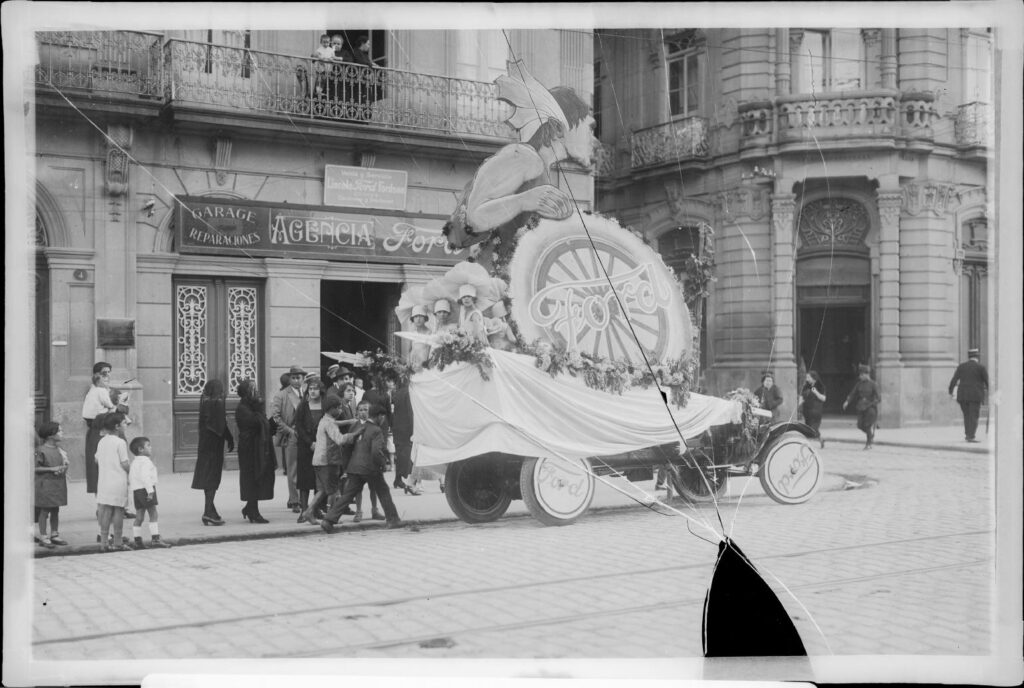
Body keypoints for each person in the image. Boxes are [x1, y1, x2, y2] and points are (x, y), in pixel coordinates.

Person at [443, 63, 595, 271]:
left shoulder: (539, 165)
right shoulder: (524, 157)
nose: (594, 135)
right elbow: (475, 217)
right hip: (498, 280)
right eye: (590, 126)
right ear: (560, 128)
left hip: (514, 276)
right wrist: (525, 200)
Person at [320, 401, 402, 532]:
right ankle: (393, 520)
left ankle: (328, 520)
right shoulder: (376, 430)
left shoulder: (357, 428)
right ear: (380, 416)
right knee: (383, 491)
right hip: (370, 468)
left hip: (354, 467)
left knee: (347, 495)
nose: (383, 420)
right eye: (383, 417)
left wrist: (347, 467)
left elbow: (347, 448)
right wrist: (383, 464)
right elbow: (376, 452)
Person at [300, 392, 363, 525]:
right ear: (331, 408)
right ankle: (330, 517)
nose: (340, 410)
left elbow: (335, 423)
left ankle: (308, 512)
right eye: (338, 408)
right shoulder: (330, 424)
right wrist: (356, 433)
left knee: (322, 489)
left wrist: (348, 421)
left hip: (318, 460)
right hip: (328, 461)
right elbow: (340, 440)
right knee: (333, 490)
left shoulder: (325, 420)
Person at [192, 379, 234, 526]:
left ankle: (210, 510)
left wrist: (228, 437)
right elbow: (219, 424)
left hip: (205, 446)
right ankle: (208, 512)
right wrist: (228, 437)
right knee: (212, 478)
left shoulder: (205, 402)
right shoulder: (215, 403)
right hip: (213, 447)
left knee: (209, 478)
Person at [235, 379, 276, 523]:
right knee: (251, 478)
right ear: (247, 392)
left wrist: (273, 421)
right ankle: (253, 511)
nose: (257, 392)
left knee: (259, 477)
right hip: (249, 450)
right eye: (253, 389)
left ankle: (250, 508)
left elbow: (264, 425)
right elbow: (255, 424)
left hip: (259, 448)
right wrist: (262, 413)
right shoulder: (243, 408)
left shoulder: (254, 407)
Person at [95, 412, 133, 551]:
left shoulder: (102, 441)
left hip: (104, 480)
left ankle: (104, 542)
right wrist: (132, 473)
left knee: (105, 511)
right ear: (117, 426)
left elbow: (97, 459)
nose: (125, 425)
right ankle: (118, 541)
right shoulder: (120, 442)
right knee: (118, 511)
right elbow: (124, 463)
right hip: (117, 480)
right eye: (124, 423)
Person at [272, 365, 305, 513]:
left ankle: (303, 499)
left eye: (299, 377)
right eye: (294, 377)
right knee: (293, 469)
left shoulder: (308, 393)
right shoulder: (282, 395)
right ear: (289, 379)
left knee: (306, 468)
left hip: (307, 436)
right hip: (292, 435)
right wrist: (290, 431)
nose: (297, 380)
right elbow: (275, 417)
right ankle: (294, 500)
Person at [128, 437, 170, 549]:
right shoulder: (146, 462)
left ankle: (137, 541)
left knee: (139, 516)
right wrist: (150, 491)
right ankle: (155, 539)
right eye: (148, 445)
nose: (151, 448)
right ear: (141, 449)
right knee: (153, 513)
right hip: (146, 489)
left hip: (137, 491)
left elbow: (132, 477)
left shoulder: (135, 462)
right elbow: (145, 477)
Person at [293, 374, 325, 521]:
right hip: (305, 448)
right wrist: (309, 442)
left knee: (319, 479)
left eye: (316, 389)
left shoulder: (325, 406)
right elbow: (298, 426)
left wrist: (318, 442)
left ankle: (316, 508)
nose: (312, 392)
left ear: (321, 391)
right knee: (305, 480)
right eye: (310, 389)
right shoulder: (303, 406)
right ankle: (304, 510)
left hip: (321, 446)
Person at [82, 363, 116, 495]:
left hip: (112, 430)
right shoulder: (96, 391)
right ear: (97, 376)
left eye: (109, 372)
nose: (108, 376)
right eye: (104, 373)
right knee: (98, 468)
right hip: (98, 431)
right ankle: (101, 504)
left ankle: (119, 505)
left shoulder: (111, 391)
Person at [34, 421, 70, 549]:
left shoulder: (60, 450)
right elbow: (35, 468)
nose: (62, 433)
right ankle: (43, 535)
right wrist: (52, 469)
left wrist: (64, 468)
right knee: (44, 510)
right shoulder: (41, 450)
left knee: (56, 509)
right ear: (50, 435)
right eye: (59, 431)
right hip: (45, 484)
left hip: (57, 483)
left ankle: (54, 534)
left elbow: (63, 465)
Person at [948, 348, 989, 443]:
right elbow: (987, 382)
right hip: (975, 396)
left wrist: (950, 391)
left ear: (969, 356)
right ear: (977, 356)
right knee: (973, 416)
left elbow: (954, 380)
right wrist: (991, 393)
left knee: (967, 415)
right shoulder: (981, 368)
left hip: (963, 396)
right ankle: (970, 436)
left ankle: (968, 435)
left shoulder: (961, 366)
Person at [843, 364, 881, 450]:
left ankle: (868, 443)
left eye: (862, 375)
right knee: (860, 425)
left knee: (867, 425)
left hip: (870, 408)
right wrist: (847, 401)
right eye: (860, 375)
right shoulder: (859, 384)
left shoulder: (873, 384)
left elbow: (879, 398)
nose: (860, 376)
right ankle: (870, 435)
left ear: (867, 374)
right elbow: (852, 393)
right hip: (860, 407)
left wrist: (872, 404)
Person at [391, 380, 416, 492]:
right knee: (407, 455)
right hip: (406, 428)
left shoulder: (397, 393)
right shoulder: (409, 392)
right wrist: (413, 429)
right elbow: (410, 412)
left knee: (400, 454)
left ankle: (398, 479)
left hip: (398, 427)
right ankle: (411, 481)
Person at [798, 371, 827, 448]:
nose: (807, 379)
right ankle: (820, 439)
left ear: (814, 378)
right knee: (808, 427)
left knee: (813, 428)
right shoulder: (806, 386)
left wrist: (816, 392)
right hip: (807, 410)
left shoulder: (820, 386)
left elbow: (823, 398)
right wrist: (799, 404)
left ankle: (807, 444)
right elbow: (802, 396)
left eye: (808, 377)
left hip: (816, 411)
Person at [408, 305, 432, 370]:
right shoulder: (413, 333)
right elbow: (410, 349)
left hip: (424, 364)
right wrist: (409, 363)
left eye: (421, 316)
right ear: (413, 319)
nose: (418, 319)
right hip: (414, 364)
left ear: (425, 318)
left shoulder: (429, 333)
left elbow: (431, 351)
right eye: (415, 317)